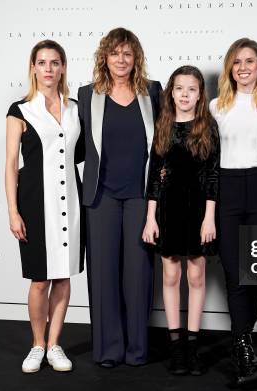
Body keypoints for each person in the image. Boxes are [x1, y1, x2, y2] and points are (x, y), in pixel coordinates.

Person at [78, 28, 162, 368]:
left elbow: (165, 143)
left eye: (127, 54)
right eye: (115, 53)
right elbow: (71, 145)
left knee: (138, 274)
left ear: (136, 58)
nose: (121, 60)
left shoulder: (152, 93)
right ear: (105, 57)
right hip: (101, 196)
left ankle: (137, 349)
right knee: (103, 275)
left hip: (141, 196)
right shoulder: (87, 96)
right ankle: (109, 349)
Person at [5, 39, 84, 373]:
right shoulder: (20, 110)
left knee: (64, 278)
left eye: (55, 62)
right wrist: (13, 210)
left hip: (73, 201)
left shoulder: (77, 107)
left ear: (63, 67)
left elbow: (84, 154)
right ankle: (37, 345)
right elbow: (10, 163)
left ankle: (55, 344)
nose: (49, 69)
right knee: (40, 280)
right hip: (36, 203)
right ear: (33, 67)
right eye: (42, 63)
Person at [142, 65, 219, 376]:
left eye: (191, 89)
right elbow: (155, 177)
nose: (185, 94)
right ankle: (176, 346)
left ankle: (192, 346)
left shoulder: (208, 128)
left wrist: (210, 218)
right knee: (171, 277)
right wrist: (151, 218)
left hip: (199, 212)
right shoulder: (164, 126)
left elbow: (213, 175)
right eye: (179, 88)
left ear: (200, 95)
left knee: (196, 278)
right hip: (168, 211)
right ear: (170, 92)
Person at [209, 38, 257, 386]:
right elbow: (206, 161)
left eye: (250, 61)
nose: (244, 67)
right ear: (229, 68)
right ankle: (242, 347)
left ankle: (244, 344)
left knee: (256, 272)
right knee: (235, 273)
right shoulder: (216, 106)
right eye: (237, 62)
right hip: (227, 190)